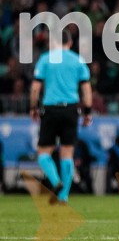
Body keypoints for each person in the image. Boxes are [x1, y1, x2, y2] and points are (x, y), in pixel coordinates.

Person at [29, 29, 93, 204]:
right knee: (67, 153)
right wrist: (87, 112)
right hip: (70, 109)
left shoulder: (45, 59)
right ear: (70, 43)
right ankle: (63, 196)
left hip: (50, 109)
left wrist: (33, 107)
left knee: (43, 152)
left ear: (54, 42)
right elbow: (86, 89)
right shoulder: (78, 60)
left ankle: (55, 181)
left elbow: (35, 88)